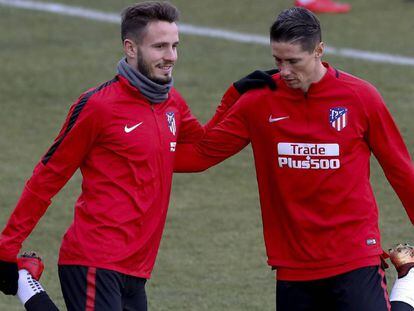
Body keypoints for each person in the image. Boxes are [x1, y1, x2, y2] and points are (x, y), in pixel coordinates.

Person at [0, 2, 275, 310]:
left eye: (174, 46)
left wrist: (235, 96)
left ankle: (27, 284)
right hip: (95, 258)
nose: (170, 56)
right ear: (130, 48)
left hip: (137, 267)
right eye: (159, 47)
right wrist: (6, 247)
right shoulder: (98, 107)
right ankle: (25, 282)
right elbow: (48, 177)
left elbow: (201, 152)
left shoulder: (172, 103)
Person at [174, 7, 414, 311]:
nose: (284, 71)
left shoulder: (360, 97)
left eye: (293, 61)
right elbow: (199, 155)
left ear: (318, 51)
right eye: (278, 60)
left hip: (354, 255)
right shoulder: (258, 102)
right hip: (293, 264)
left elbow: (400, 169)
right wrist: (232, 95)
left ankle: (408, 286)